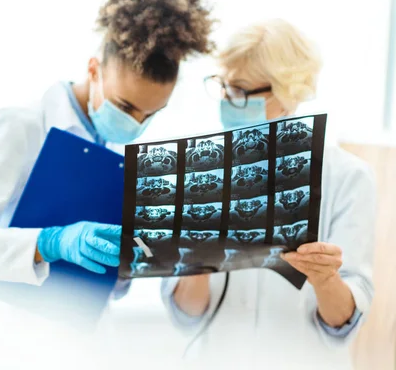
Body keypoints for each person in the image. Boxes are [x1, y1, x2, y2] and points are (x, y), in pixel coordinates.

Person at [0, 0, 215, 287]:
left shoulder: (110, 150)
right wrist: (49, 243)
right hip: (8, 328)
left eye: (150, 115)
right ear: (94, 70)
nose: (135, 124)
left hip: (79, 330)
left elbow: (101, 284)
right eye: (125, 107)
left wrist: (126, 265)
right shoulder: (22, 125)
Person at [161, 19, 376, 369]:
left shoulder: (348, 177)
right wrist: (197, 259)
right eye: (224, 87)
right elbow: (185, 317)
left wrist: (324, 279)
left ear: (286, 92)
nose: (228, 102)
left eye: (241, 91)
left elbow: (344, 325)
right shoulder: (201, 173)